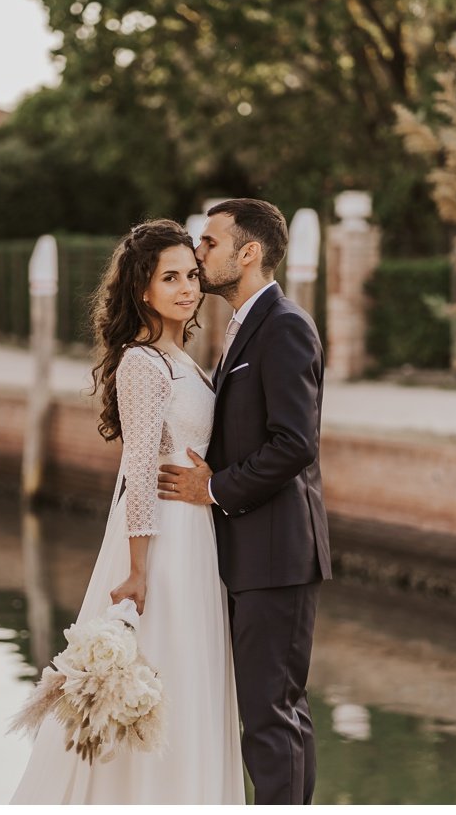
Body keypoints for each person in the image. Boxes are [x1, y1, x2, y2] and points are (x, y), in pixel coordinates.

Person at [10, 219, 247, 803]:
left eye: (192, 275)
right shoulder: (142, 362)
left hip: (196, 537)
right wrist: (139, 567)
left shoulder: (180, 357)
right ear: (143, 288)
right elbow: (139, 467)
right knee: (165, 671)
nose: (188, 288)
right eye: (171, 278)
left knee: (192, 678)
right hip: (163, 544)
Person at [157, 198, 331, 803]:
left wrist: (213, 487)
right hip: (250, 552)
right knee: (270, 713)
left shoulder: (284, 326)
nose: (199, 254)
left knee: (271, 716)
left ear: (248, 253)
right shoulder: (243, 327)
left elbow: (295, 443)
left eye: (210, 244)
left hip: (277, 554)